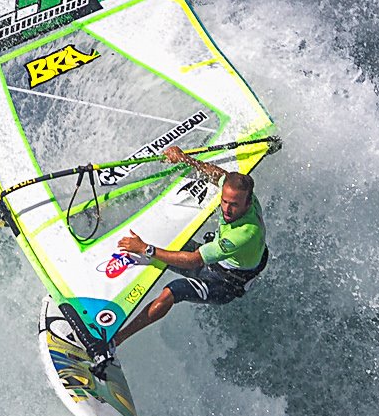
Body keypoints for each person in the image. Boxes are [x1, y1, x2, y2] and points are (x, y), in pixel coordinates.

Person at [112, 146, 268, 343]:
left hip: (223, 283)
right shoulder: (242, 194)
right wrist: (185, 159)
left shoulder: (244, 233)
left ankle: (115, 341)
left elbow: (194, 261)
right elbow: (219, 175)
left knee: (172, 291)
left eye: (234, 205)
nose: (227, 209)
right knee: (164, 237)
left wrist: (145, 249)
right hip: (220, 260)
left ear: (248, 204)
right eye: (224, 201)